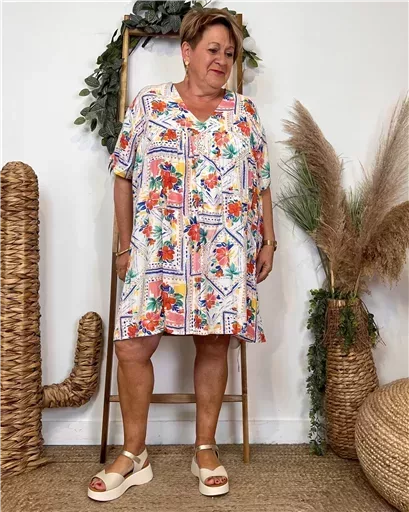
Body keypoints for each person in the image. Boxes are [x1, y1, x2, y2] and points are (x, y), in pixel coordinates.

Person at [88, 6, 276, 502]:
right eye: (213, 50)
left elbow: (261, 182)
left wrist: (268, 239)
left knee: (214, 343)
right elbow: (123, 175)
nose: (222, 60)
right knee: (132, 347)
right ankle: (134, 454)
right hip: (157, 248)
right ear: (187, 52)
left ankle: (205, 449)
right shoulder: (149, 105)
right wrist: (124, 245)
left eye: (230, 53)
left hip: (223, 250)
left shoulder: (245, 113)